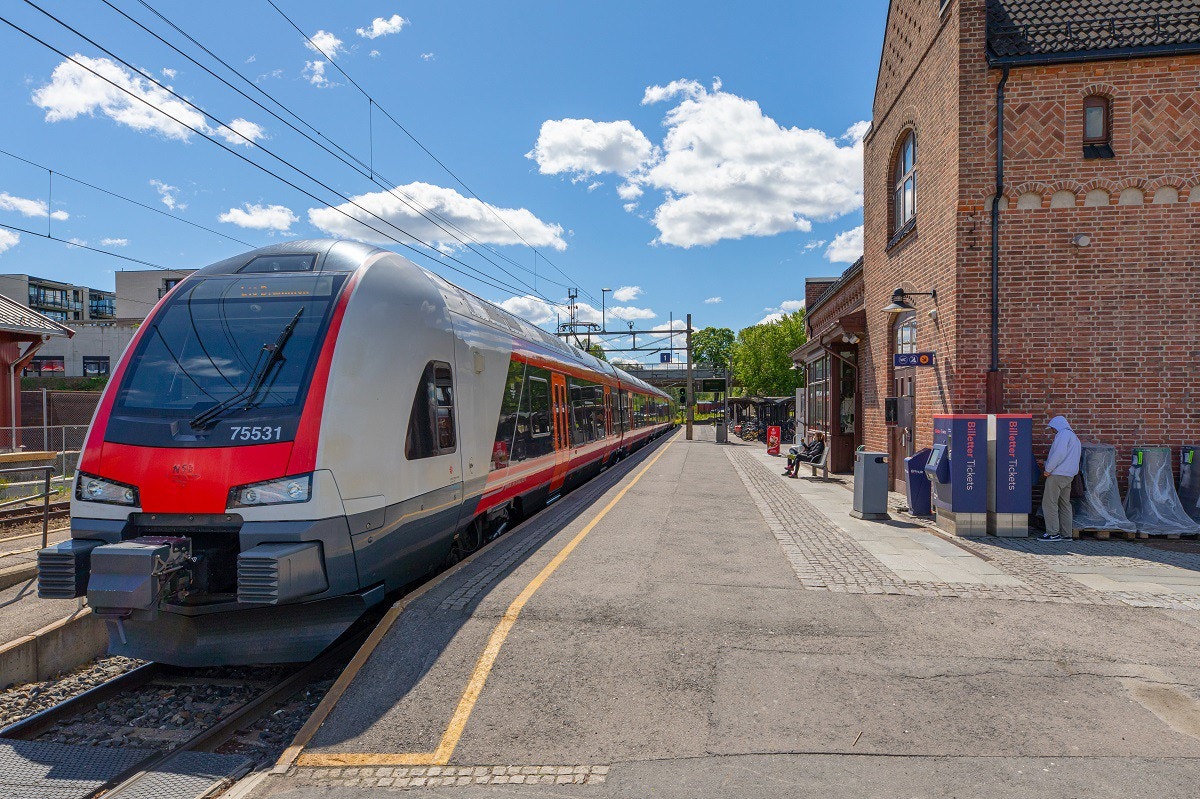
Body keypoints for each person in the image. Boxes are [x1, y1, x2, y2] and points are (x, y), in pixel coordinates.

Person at [1039, 415, 1081, 541]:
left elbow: (1059, 454)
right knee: (1065, 504)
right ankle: (1066, 534)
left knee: (1049, 503)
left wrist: (1048, 469)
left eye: (1053, 428)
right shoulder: (1074, 437)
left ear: (1058, 426)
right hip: (1069, 475)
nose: (1052, 431)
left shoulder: (1063, 434)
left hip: (1057, 475)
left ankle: (1053, 533)